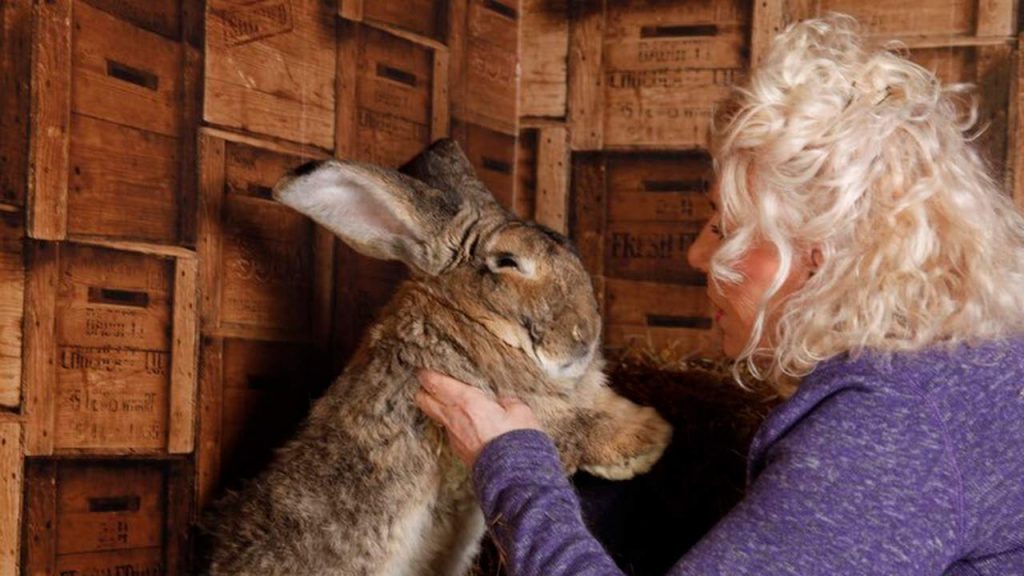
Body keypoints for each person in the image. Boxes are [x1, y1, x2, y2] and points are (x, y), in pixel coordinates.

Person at [414, 15, 1024, 575]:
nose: (697, 255)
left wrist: (511, 465)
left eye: (727, 229)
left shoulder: (891, 428)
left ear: (823, 252)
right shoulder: (979, 366)